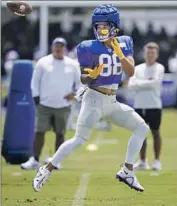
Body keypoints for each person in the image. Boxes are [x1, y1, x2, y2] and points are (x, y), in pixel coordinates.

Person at [32, 4, 149, 192]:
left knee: (142, 128)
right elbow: (84, 78)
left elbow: (130, 71)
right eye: (98, 26)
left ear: (114, 26)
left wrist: (119, 53)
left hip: (112, 101)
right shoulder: (87, 47)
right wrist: (92, 74)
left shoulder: (125, 42)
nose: (100, 29)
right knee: (79, 140)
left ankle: (127, 171)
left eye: (104, 25)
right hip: (94, 99)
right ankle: (46, 169)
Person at [21, 37, 81, 170]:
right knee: (39, 132)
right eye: (56, 46)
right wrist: (36, 98)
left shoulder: (72, 64)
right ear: (52, 47)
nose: (58, 48)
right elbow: (35, 81)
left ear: (64, 48)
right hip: (45, 104)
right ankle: (35, 160)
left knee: (60, 133)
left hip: (63, 105)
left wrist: (75, 94)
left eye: (61, 46)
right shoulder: (43, 62)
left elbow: (79, 83)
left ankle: (56, 161)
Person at [128, 42, 165, 171]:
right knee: (140, 133)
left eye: (153, 53)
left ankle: (157, 161)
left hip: (154, 105)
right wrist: (146, 82)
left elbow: (154, 84)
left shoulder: (159, 67)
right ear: (144, 53)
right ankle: (143, 161)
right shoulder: (138, 68)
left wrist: (140, 84)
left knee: (155, 132)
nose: (150, 55)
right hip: (139, 105)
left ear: (156, 54)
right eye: (148, 52)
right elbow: (131, 85)